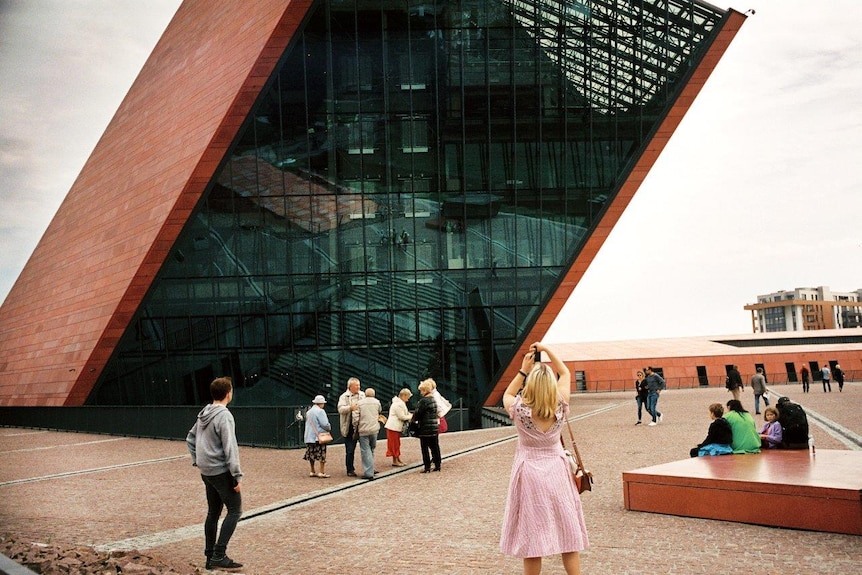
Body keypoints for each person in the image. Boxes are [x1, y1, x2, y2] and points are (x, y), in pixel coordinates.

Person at [500, 342, 588, 575]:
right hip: (558, 470)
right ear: (550, 384)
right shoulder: (560, 403)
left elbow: (507, 393)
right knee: (568, 534)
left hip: (529, 471)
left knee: (532, 538)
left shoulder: (519, 409)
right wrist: (547, 351)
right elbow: (566, 372)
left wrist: (523, 370)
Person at [185, 376, 244, 571]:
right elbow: (230, 446)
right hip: (221, 471)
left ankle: (210, 557)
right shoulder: (224, 415)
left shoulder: (204, 413)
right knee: (235, 511)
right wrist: (236, 474)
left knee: (213, 512)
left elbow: (190, 438)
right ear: (229, 393)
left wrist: (198, 459)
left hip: (206, 471)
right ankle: (219, 554)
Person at [414, 378, 442, 473]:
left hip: (425, 428)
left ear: (425, 390)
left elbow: (418, 414)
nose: (421, 392)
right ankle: (438, 465)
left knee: (424, 448)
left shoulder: (423, 401)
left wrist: (413, 420)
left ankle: (427, 467)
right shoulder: (433, 399)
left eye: (421, 390)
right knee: (435, 447)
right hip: (434, 427)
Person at [336, 376, 363, 476]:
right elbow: (340, 409)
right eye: (356, 385)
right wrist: (350, 408)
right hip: (349, 427)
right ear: (350, 386)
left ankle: (369, 468)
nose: (358, 387)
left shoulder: (362, 395)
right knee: (350, 450)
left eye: (359, 385)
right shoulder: (344, 397)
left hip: (361, 426)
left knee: (366, 448)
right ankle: (350, 469)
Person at [303, 395, 331, 478]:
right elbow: (325, 424)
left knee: (311, 454)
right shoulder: (320, 411)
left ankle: (312, 471)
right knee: (321, 454)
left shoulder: (309, 412)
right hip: (319, 436)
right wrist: (329, 427)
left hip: (309, 436)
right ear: (321, 403)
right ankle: (321, 472)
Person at [357, 388, 382, 480]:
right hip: (374, 429)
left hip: (363, 429)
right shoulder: (377, 402)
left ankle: (368, 472)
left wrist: (356, 425)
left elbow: (356, 416)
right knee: (371, 449)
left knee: (365, 450)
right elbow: (379, 411)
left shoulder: (360, 403)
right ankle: (371, 469)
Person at [384, 388, 413, 467]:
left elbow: (405, 414)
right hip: (393, 427)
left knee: (396, 444)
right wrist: (412, 416)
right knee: (394, 444)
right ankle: (395, 460)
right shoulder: (398, 404)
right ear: (403, 395)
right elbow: (402, 416)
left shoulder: (399, 403)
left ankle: (397, 458)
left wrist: (410, 415)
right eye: (407, 397)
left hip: (395, 427)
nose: (408, 399)